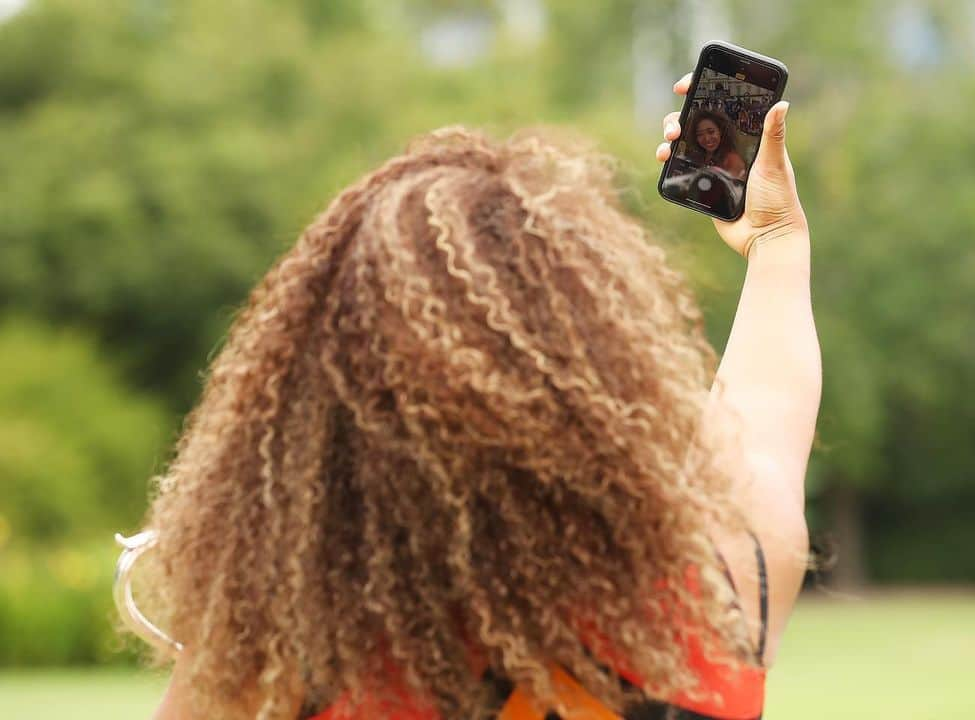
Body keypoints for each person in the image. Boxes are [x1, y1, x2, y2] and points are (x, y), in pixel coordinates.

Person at [141, 70, 819, 720]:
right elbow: (767, 411)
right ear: (601, 375)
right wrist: (777, 244)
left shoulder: (280, 658)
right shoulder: (726, 587)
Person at [680, 108, 747, 179]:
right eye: (700, 134)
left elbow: (736, 188)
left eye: (711, 132)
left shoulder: (733, 160)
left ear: (721, 131)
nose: (707, 138)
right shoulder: (697, 156)